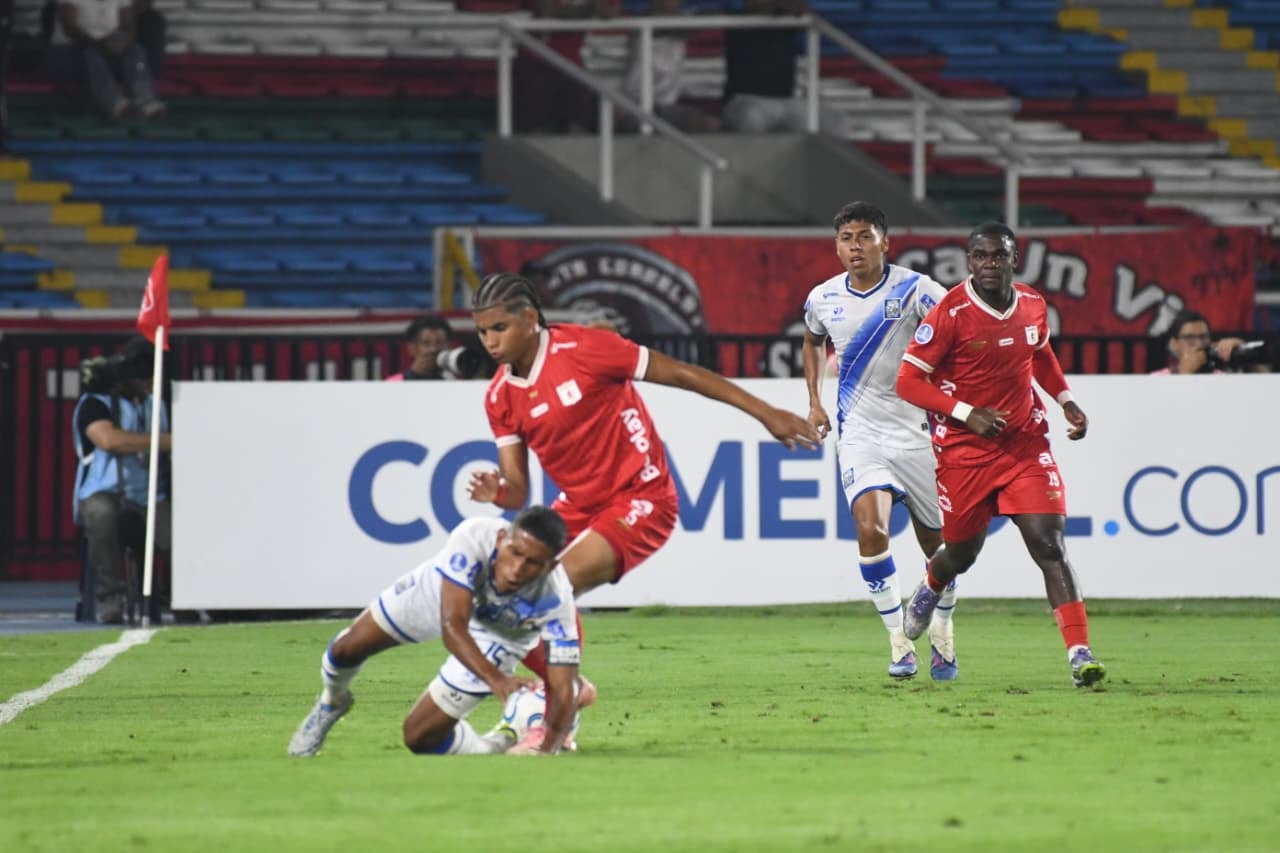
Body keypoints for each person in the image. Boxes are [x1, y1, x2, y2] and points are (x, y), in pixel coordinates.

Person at [465, 272, 821, 746]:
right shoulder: (499, 396)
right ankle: (568, 687)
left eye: (499, 328)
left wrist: (767, 413)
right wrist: (498, 491)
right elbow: (517, 490)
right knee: (491, 594)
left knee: (553, 585)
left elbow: (683, 374)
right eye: (483, 331)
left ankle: (558, 716)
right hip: (574, 507)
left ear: (530, 319)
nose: (490, 341)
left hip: (642, 498)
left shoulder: (588, 349)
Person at [894, 221, 1106, 689]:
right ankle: (930, 587)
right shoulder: (950, 313)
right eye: (980, 256)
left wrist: (1066, 399)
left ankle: (1080, 653)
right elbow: (908, 382)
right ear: (970, 262)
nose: (989, 263)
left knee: (1049, 545)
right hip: (964, 451)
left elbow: (1041, 355)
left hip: (1024, 443)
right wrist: (966, 413)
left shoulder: (1031, 304)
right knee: (962, 554)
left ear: (1015, 259)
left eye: (998, 255)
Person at [801, 201, 959, 681]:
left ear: (884, 242)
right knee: (871, 531)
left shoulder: (916, 289)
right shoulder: (822, 298)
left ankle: (943, 631)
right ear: (837, 245)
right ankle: (898, 642)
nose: (855, 246)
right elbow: (812, 341)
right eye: (846, 238)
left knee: (940, 545)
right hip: (861, 435)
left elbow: (957, 329)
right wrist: (814, 401)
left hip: (919, 433)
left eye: (865, 236)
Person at [288, 505, 581, 758]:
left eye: (531, 563)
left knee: (419, 737)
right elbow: (452, 624)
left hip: (500, 636)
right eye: (514, 553)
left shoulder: (556, 599)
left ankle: (498, 742)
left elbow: (564, 687)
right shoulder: (474, 535)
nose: (517, 569)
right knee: (347, 648)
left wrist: (548, 749)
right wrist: (497, 681)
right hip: (438, 595)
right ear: (502, 539)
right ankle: (332, 701)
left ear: (550, 566)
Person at [73, 335, 170, 624]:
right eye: (144, 377)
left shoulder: (156, 405)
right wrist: (162, 441)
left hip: (151, 495)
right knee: (100, 514)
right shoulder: (94, 404)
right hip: (106, 492)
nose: (149, 383)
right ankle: (109, 598)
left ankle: (180, 596)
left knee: (184, 523)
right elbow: (109, 440)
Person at [721, 0, 849, 136]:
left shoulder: (787, 18)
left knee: (835, 120)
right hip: (745, 99)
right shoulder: (736, 20)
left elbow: (804, 10)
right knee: (751, 116)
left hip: (785, 101)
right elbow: (756, 6)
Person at [50, 0, 165, 119]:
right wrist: (99, 44)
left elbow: (128, 25)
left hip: (105, 50)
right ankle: (115, 104)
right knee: (89, 53)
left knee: (134, 50)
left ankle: (146, 101)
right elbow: (69, 27)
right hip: (71, 52)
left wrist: (121, 41)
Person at [617, 0, 720, 133]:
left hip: (668, 106)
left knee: (711, 124)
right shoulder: (640, 22)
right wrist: (691, 22)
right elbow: (669, 28)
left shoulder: (683, 21)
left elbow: (711, 14)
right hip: (635, 106)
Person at [1150, 309, 1263, 375]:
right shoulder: (1158, 379)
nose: (1199, 344)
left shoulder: (1222, 378)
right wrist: (1185, 373)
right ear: (1174, 344)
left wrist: (1243, 352)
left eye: (1203, 337)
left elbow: (1265, 387)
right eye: (1190, 338)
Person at [386, 315, 453, 381]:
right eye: (426, 343)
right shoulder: (393, 384)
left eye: (439, 343)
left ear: (448, 347)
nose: (433, 349)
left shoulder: (453, 383)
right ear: (412, 348)